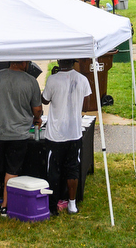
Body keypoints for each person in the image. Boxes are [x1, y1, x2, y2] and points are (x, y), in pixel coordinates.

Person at [0, 61, 44, 217]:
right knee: (12, 170)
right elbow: (38, 108)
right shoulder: (31, 81)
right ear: (22, 62)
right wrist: (37, 118)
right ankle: (6, 207)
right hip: (18, 135)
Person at [43, 59, 92, 214]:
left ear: (59, 61)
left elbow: (44, 100)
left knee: (54, 170)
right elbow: (87, 102)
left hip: (56, 134)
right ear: (74, 63)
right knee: (72, 169)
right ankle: (72, 204)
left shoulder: (52, 79)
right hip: (74, 132)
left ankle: (53, 205)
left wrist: (53, 77)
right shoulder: (82, 79)